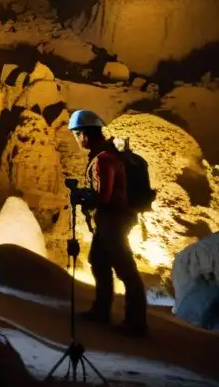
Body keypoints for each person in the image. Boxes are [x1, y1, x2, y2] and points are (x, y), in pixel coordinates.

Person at [69, 109, 148, 337]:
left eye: (76, 135)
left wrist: (82, 196)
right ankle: (101, 310)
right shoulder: (106, 154)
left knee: (125, 269)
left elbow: (104, 196)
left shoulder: (103, 159)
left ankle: (136, 322)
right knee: (98, 261)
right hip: (112, 218)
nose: (77, 140)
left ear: (84, 134)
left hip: (113, 219)